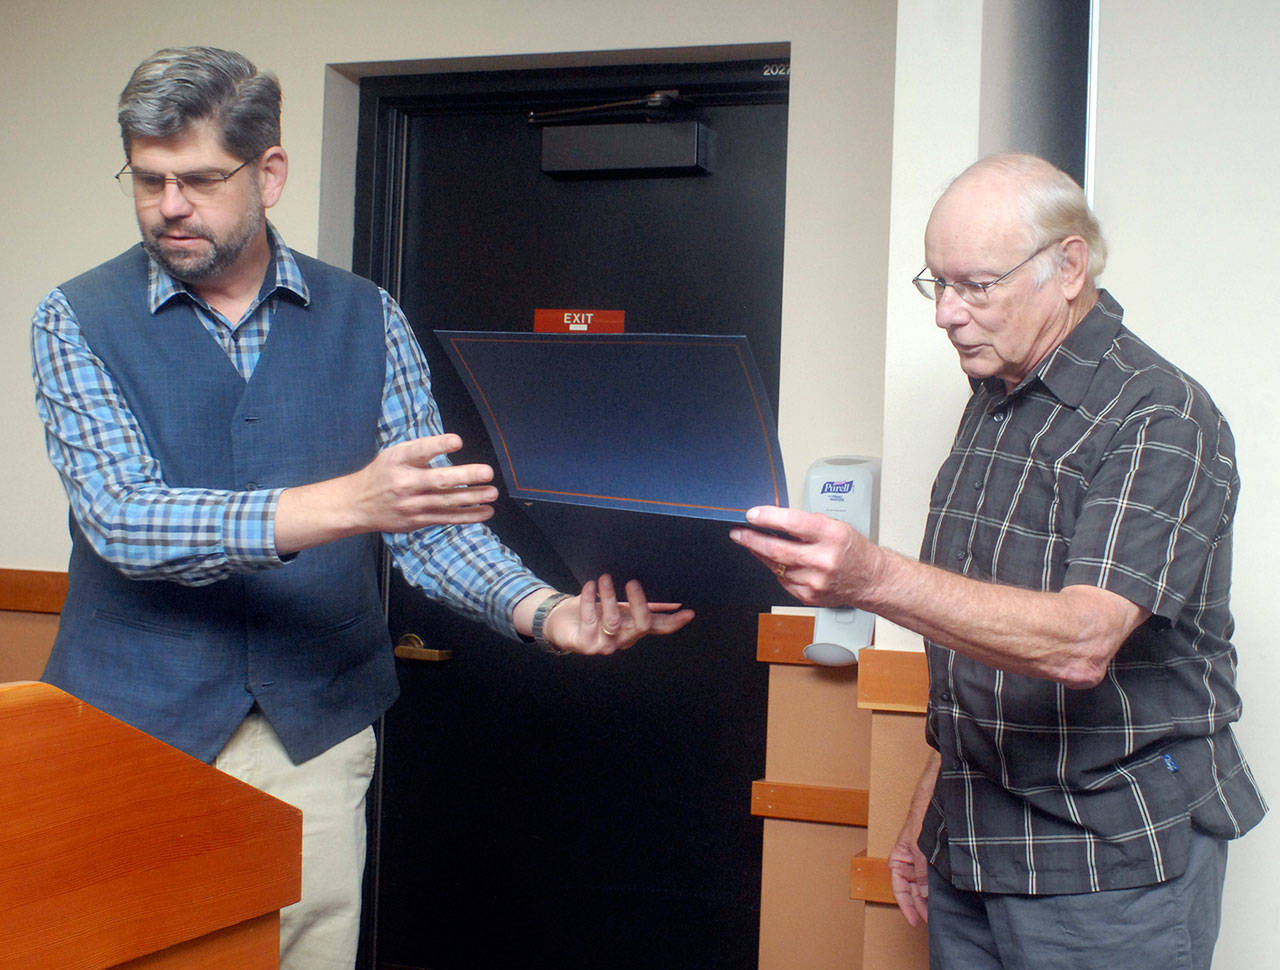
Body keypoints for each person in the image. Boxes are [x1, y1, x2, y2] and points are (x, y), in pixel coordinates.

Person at [30, 46, 693, 970]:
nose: (169, 206)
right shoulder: (74, 317)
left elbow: (428, 528)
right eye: (148, 180)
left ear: (269, 173)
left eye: (199, 179)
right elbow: (124, 520)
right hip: (131, 733)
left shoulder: (366, 315)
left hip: (314, 734)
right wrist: (347, 503)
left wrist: (547, 613)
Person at [731, 153, 1265, 969]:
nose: (947, 313)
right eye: (936, 284)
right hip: (973, 841)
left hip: (1108, 865)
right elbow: (985, 630)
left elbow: (1083, 641)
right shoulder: (995, 395)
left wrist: (872, 578)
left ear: (1069, 268)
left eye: (976, 285)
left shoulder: (1162, 415)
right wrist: (933, 793)